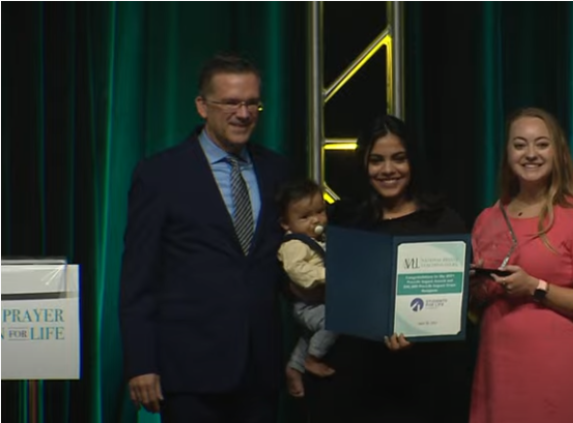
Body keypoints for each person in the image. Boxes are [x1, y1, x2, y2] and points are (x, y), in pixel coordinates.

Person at [118, 53, 290, 422]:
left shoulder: (277, 170)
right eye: (231, 103)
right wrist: (141, 362)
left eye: (252, 103)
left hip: (260, 373)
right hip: (190, 373)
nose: (243, 114)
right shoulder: (160, 174)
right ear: (202, 106)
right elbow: (138, 279)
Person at [303, 115, 472, 423]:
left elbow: (456, 304)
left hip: (424, 384)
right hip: (355, 381)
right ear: (363, 164)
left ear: (412, 162)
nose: (388, 170)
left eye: (399, 158)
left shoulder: (443, 222)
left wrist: (421, 330)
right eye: (377, 160)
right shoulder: (344, 219)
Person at [468, 107, 573, 423]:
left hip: (556, 372)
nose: (530, 154)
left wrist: (535, 287)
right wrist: (475, 289)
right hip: (497, 369)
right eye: (519, 144)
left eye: (541, 144)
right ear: (507, 153)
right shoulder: (487, 219)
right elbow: (475, 307)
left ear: (558, 153)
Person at [274, 178, 337, 398]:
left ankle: (294, 367)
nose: (315, 220)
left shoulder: (318, 238)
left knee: (309, 336)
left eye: (320, 211)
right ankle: (312, 360)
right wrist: (327, 275)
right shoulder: (294, 244)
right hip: (306, 305)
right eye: (305, 217)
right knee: (333, 321)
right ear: (285, 223)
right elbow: (297, 271)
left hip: (317, 301)